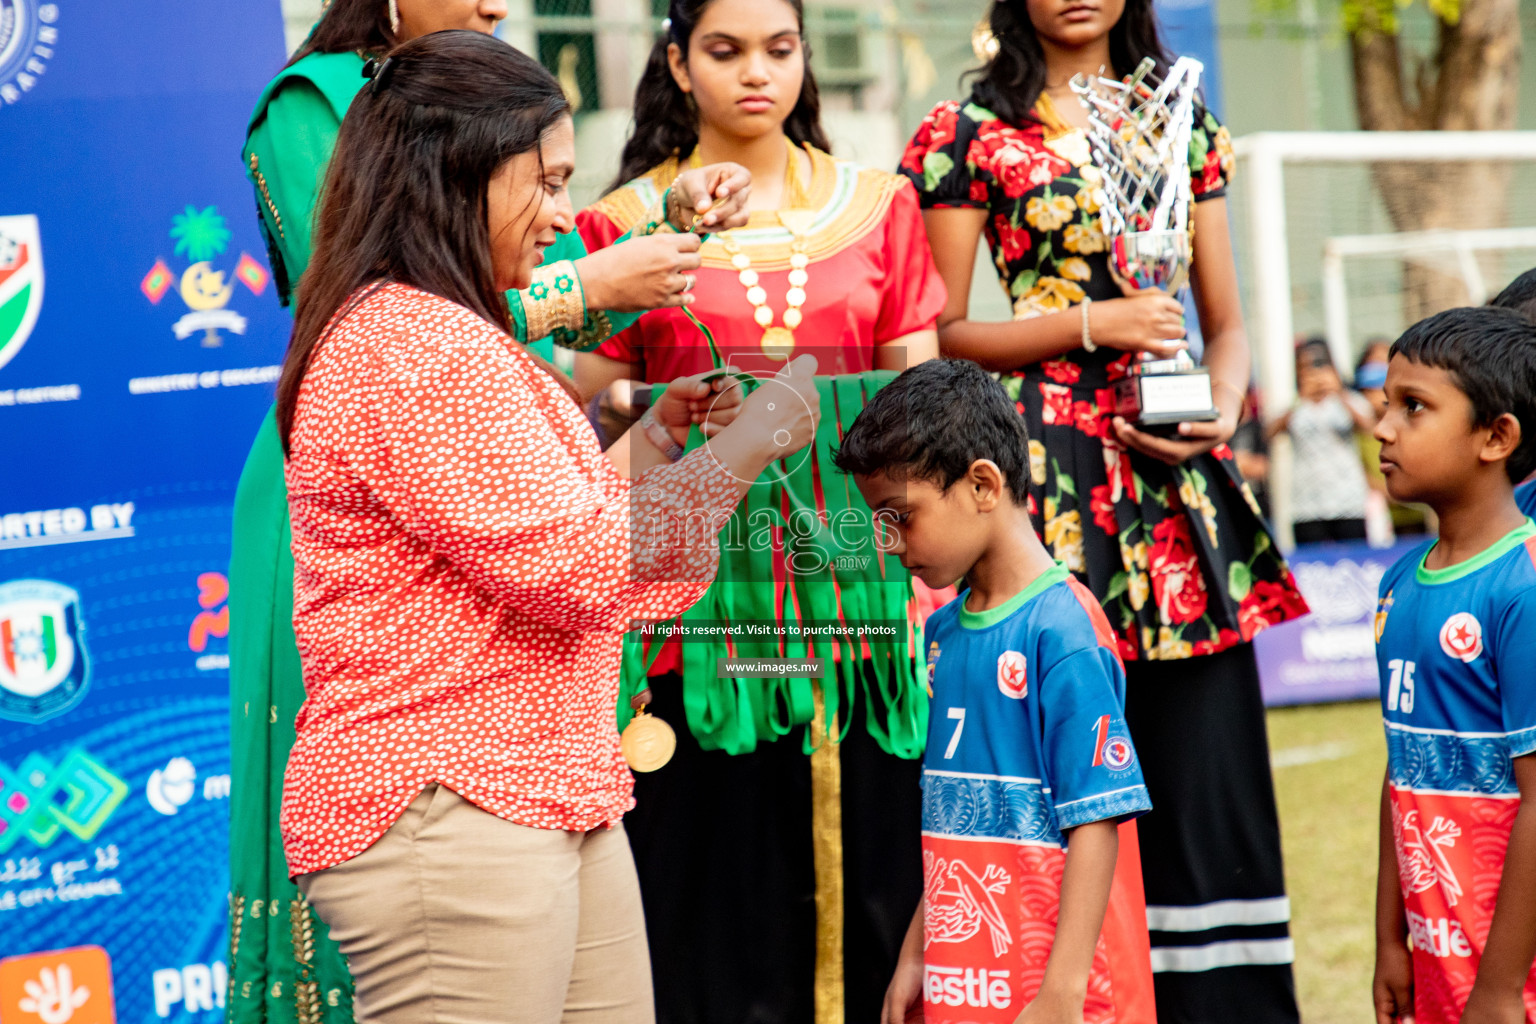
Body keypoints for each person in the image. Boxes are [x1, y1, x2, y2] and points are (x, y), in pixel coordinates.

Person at [272, 31, 822, 1023]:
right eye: (548, 183)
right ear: (461, 174)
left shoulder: (446, 331)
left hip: (544, 785)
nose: (564, 217)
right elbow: (579, 565)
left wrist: (657, 439)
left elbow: (530, 534)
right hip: (448, 802)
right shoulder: (413, 343)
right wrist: (756, 443)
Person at [899, 1, 1307, 1019]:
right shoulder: (965, 134)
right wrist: (1087, 321)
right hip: (1038, 473)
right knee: (1049, 750)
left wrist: (1221, 406)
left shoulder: (1183, 122)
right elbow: (941, 331)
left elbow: (1228, 327)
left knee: (1201, 765)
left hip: (1170, 486)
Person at [572, 1, 945, 1021]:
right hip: (695, 622)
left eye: (779, 50)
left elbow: (925, 415)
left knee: (876, 890)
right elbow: (580, 412)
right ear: (677, 63)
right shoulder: (620, 226)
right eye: (725, 51)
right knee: (716, 898)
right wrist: (655, 407)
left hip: (858, 609)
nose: (755, 74)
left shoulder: (880, 207)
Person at [833, 359, 1157, 1024]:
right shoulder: (946, 632)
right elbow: (958, 817)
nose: (888, 542)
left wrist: (1063, 992)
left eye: (901, 515)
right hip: (967, 984)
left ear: (983, 483)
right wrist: (919, 953)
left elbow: (1098, 821)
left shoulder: (1062, 629)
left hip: (1060, 993)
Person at [1369, 306, 1536, 1024]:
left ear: (1496, 437)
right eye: (1385, 405)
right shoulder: (1398, 583)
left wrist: (1499, 988)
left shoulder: (1522, 587)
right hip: (1438, 953)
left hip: (1510, 973)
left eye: (1414, 408)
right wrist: (1390, 938)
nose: (1383, 429)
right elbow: (1400, 768)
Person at [1268, 337, 1377, 545]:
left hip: (1348, 501)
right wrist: (1301, 399)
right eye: (1307, 367)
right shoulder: (1295, 405)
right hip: (1306, 506)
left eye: (1320, 365)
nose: (1315, 373)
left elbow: (1368, 426)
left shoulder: (1348, 401)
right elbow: (1270, 432)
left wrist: (1339, 391)